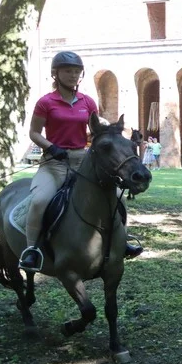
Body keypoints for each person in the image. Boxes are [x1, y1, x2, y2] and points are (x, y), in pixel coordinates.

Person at [18, 51, 142, 272]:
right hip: (54, 162)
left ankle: (121, 242)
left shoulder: (87, 101)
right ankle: (32, 251)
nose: (73, 75)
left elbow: (95, 125)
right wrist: (51, 147)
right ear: (55, 74)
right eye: (68, 71)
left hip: (83, 161)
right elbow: (34, 133)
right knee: (40, 200)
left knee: (117, 199)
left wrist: (112, 130)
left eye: (76, 71)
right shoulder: (46, 102)